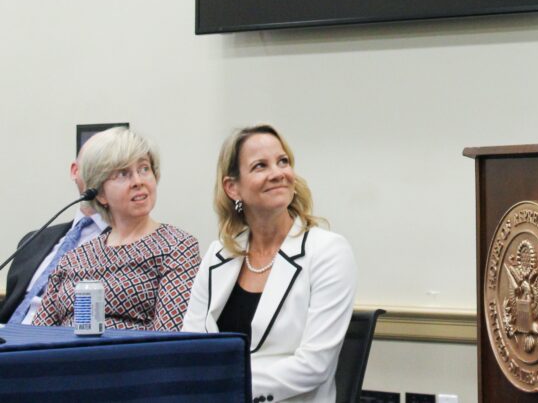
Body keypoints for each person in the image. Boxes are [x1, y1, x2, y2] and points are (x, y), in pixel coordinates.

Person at [182, 124, 357, 403]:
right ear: (232, 187)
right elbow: (190, 348)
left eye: (283, 161)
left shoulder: (328, 251)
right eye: (260, 166)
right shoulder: (218, 255)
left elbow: (313, 366)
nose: (278, 173)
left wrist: (224, 386)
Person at [32, 127, 200, 331]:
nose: (138, 181)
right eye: (123, 173)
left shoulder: (177, 246)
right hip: (62, 359)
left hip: (132, 361)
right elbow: (38, 334)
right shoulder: (74, 258)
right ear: (100, 194)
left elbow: (167, 338)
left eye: (144, 169)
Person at [0, 135, 109, 325]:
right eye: (95, 165)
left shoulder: (126, 243)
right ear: (75, 171)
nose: (101, 175)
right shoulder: (34, 240)